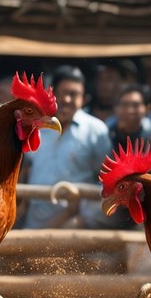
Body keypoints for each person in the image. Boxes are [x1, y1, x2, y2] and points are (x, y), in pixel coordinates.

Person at [21, 65, 111, 229]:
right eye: (62, 93)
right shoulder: (36, 126)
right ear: (52, 94)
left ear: (83, 99)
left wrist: (82, 217)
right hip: (32, 223)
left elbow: (108, 182)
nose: (67, 99)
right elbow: (25, 170)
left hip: (73, 229)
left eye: (73, 94)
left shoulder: (96, 130)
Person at [106, 84, 151, 149]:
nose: (130, 110)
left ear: (147, 109)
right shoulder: (106, 136)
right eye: (125, 105)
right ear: (116, 109)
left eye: (135, 105)